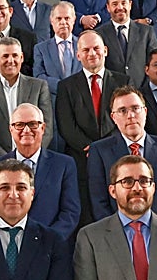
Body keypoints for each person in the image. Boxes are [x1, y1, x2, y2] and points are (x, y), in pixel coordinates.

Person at [55, 31, 128, 224]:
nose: (91, 53)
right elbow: (66, 124)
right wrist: (91, 148)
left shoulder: (123, 81)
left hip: (117, 154)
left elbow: (126, 117)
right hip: (81, 160)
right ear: (78, 55)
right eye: (85, 50)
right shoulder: (66, 86)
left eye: (96, 48)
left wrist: (107, 146)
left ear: (105, 50)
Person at [87, 86, 157, 220]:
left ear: (145, 112)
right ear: (113, 117)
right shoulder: (99, 151)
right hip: (115, 235)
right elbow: (98, 201)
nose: (131, 116)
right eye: (122, 111)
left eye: (135, 108)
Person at [0, 103, 80, 241]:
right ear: (11, 129)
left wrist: (46, 240)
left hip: (50, 247)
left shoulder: (64, 164)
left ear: (43, 128)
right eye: (20, 125)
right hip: (9, 245)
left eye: (33, 124)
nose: (26, 130)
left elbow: (70, 213)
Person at [0, 38, 50, 162]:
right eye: (5, 56)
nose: (11, 60)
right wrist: (8, 158)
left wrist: (31, 154)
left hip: (34, 161)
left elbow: (47, 127)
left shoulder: (39, 86)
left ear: (22, 57)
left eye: (15, 55)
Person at [96, 0, 157, 87]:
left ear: (130, 4)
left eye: (123, 3)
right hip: (112, 94)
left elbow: (154, 62)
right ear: (108, 7)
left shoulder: (146, 32)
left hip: (142, 92)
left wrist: (146, 88)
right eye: (115, 4)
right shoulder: (99, 34)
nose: (120, 7)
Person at [32, 2, 81, 98]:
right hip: (54, 102)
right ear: (51, 20)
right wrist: (63, 87)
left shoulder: (83, 45)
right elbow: (38, 76)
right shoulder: (41, 48)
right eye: (59, 18)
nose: (63, 22)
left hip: (80, 101)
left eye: (67, 18)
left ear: (74, 20)